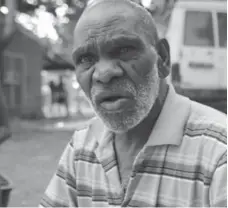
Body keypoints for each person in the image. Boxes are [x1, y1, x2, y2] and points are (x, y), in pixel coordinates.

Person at [40, 0, 227, 207]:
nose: (103, 74)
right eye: (85, 59)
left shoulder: (219, 151)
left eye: (124, 50)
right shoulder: (83, 146)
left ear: (162, 59)